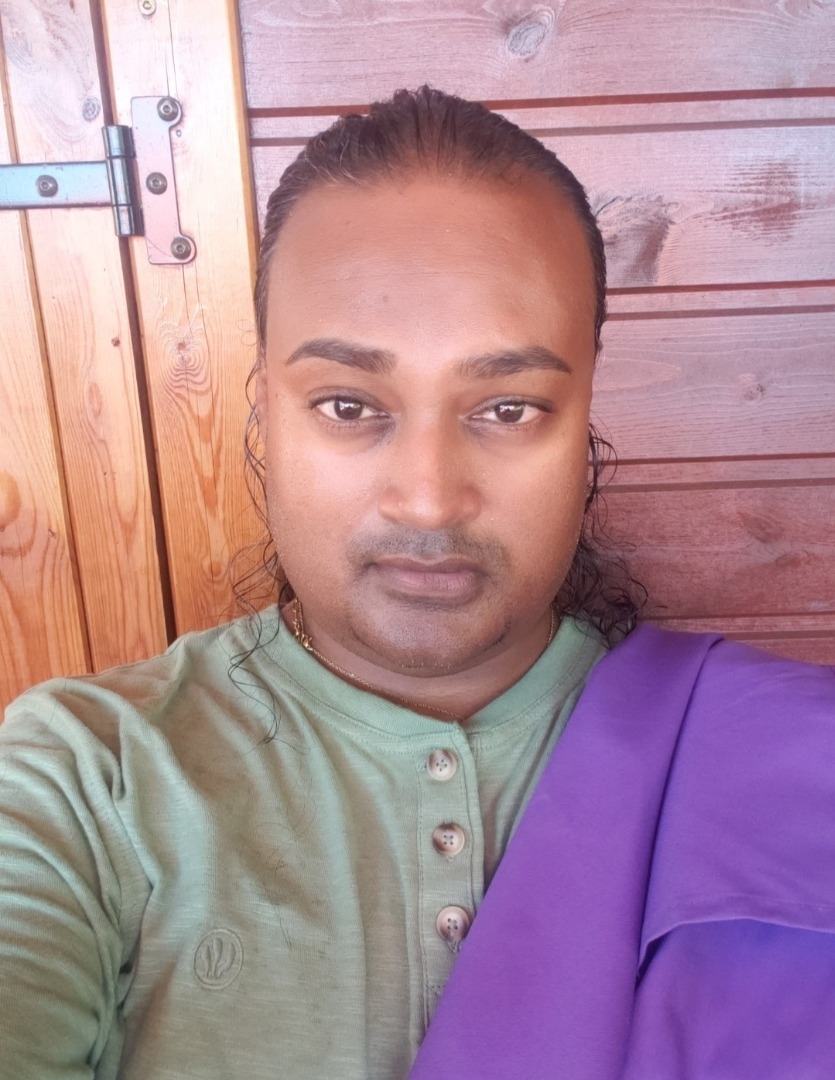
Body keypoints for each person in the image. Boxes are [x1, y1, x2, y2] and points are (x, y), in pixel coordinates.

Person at [0, 86, 833, 1080]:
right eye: (348, 405)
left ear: (585, 411)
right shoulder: (87, 778)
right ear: (264, 409)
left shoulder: (781, 763)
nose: (429, 499)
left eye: (509, 409)